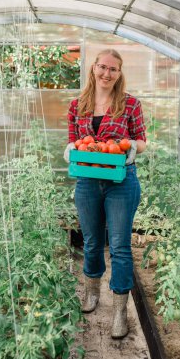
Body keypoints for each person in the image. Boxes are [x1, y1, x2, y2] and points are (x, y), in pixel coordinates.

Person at [63, 49, 146, 339]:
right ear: (93, 68)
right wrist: (71, 148)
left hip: (121, 181)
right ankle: (92, 294)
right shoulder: (77, 105)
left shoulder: (130, 104)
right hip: (87, 180)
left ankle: (120, 310)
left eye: (113, 69)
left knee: (120, 245)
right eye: (102, 67)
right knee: (92, 241)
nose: (107, 74)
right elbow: (74, 140)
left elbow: (142, 140)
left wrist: (131, 149)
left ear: (120, 73)